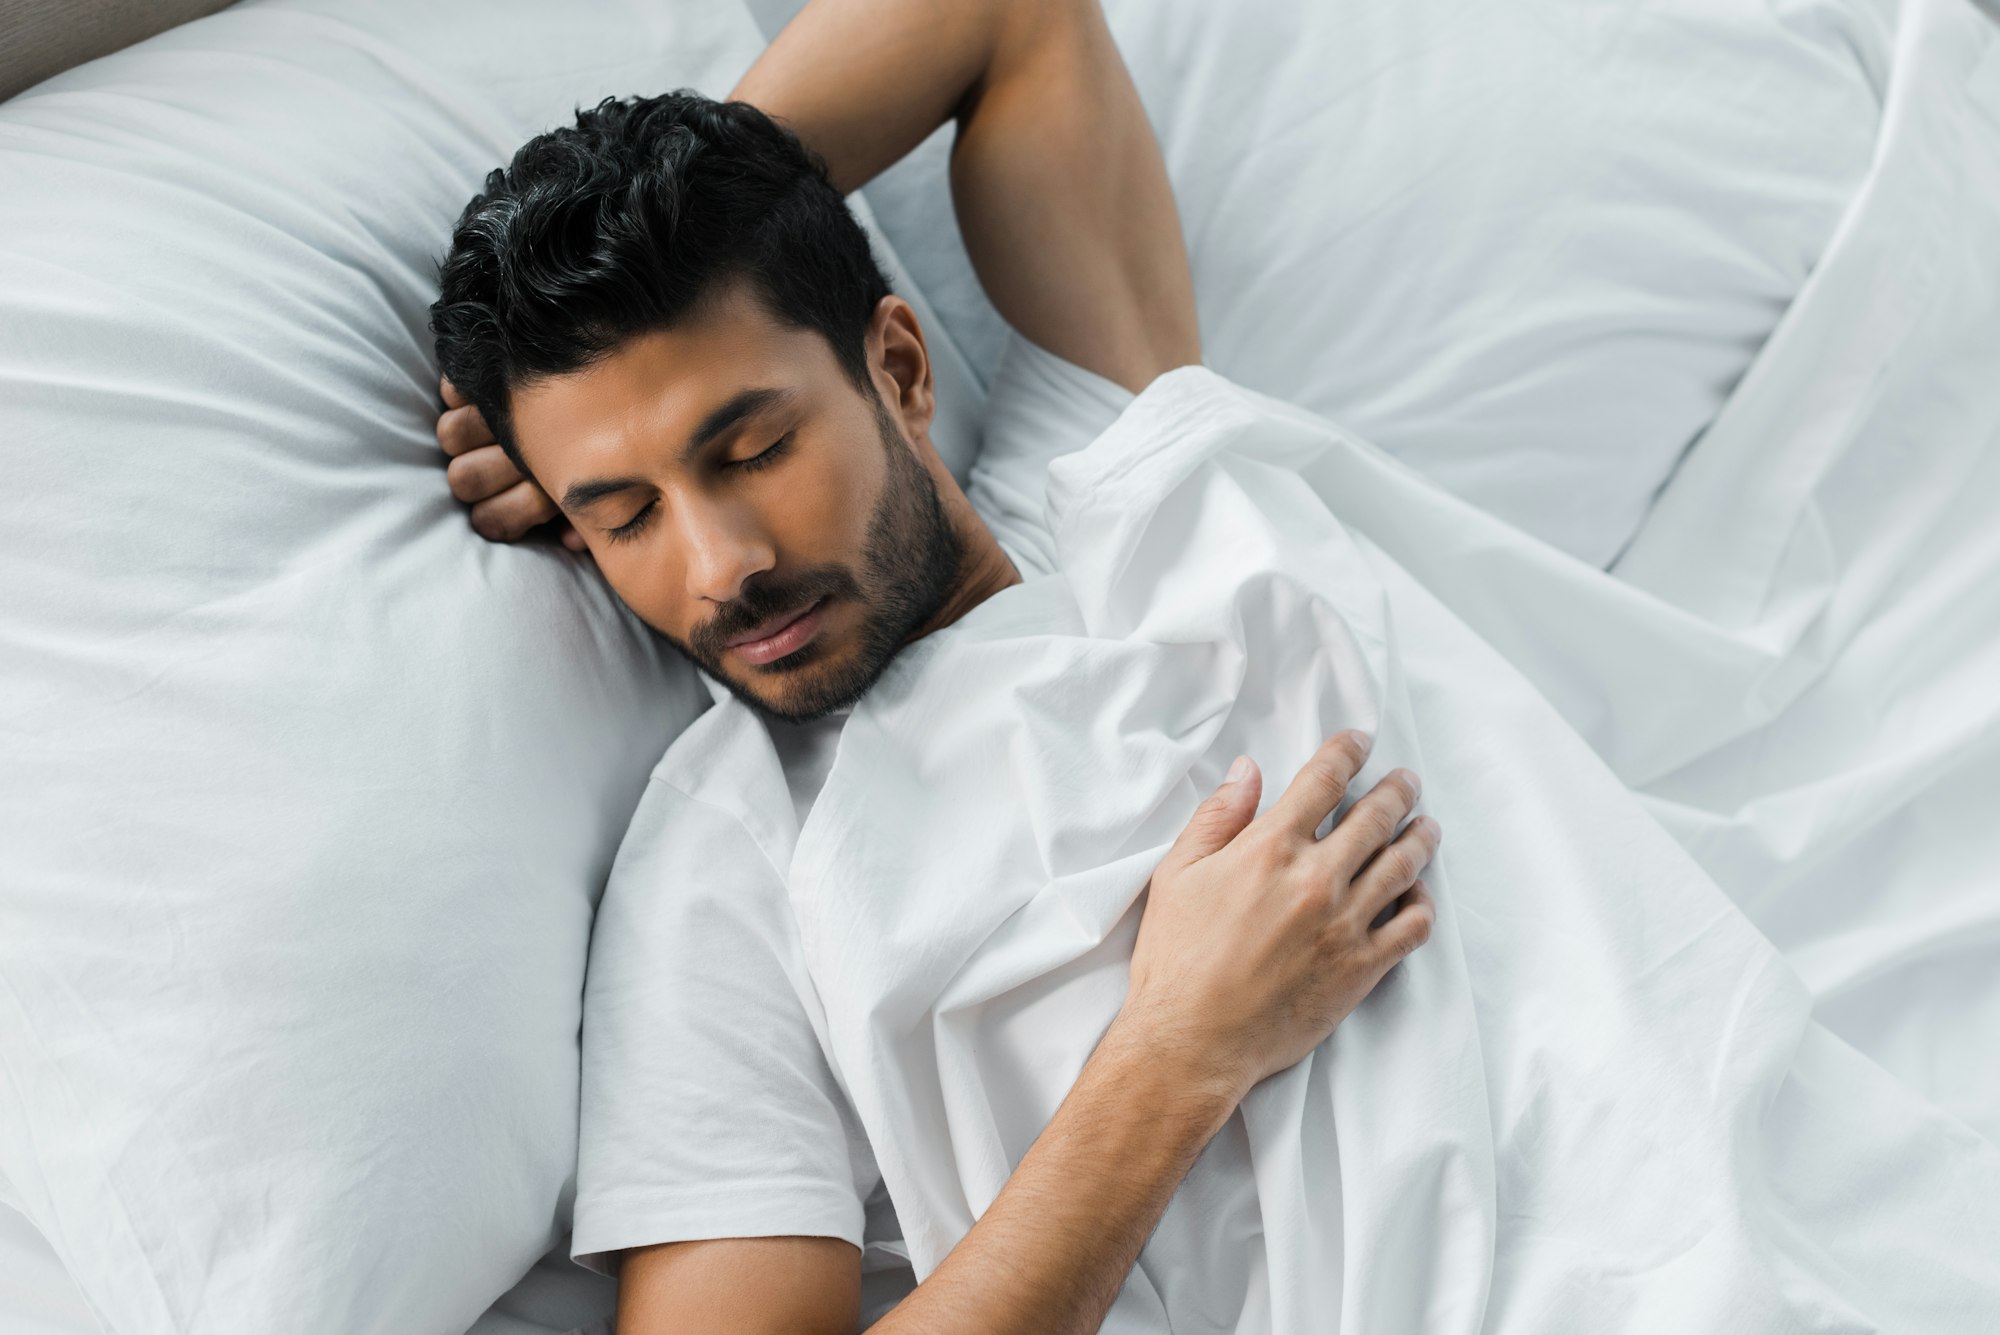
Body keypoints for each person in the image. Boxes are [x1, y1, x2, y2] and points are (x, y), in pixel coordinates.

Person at [429, 0, 1438, 1329]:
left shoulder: (1116, 477)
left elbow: (1002, 18)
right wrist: (1177, 1055)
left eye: (748, 449)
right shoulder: (727, 873)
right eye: (624, 514)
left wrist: (729, 224)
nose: (720, 563)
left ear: (898, 366)